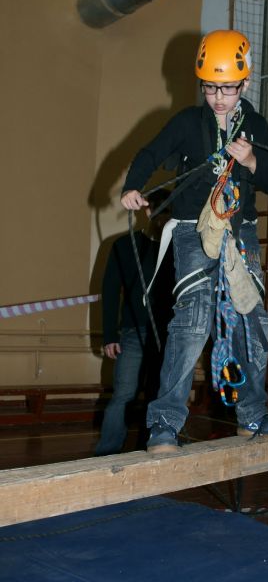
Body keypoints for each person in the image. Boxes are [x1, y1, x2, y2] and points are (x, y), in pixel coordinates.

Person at [121, 29, 268, 452]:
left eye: (228, 88)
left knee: (253, 322)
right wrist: (133, 185)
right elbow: (149, 154)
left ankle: (253, 415)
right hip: (191, 228)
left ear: (245, 83)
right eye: (211, 88)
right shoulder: (186, 122)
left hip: (240, 230)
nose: (218, 97)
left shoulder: (255, 126)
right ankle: (164, 424)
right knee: (193, 320)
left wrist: (252, 159)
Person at [95, 189, 174, 456]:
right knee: (124, 395)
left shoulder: (181, 246)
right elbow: (110, 291)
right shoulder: (124, 245)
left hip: (168, 333)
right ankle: (107, 453)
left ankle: (154, 448)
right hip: (135, 332)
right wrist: (110, 335)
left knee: (159, 394)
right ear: (146, 210)